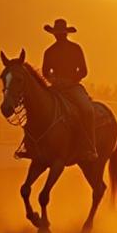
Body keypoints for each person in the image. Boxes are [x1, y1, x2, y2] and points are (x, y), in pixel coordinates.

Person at [37, 18, 98, 162]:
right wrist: (54, 81)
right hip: (56, 87)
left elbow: (83, 71)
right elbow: (45, 72)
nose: (59, 36)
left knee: (87, 110)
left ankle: (90, 147)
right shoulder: (49, 51)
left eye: (61, 33)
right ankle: (32, 144)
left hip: (73, 87)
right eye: (57, 33)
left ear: (65, 34)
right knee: (38, 108)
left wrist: (70, 80)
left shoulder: (75, 49)